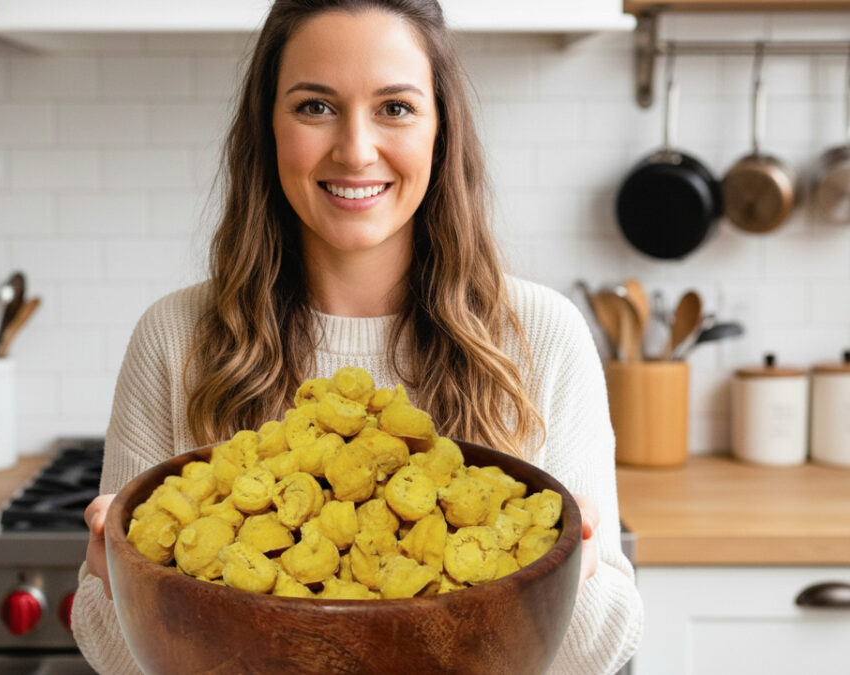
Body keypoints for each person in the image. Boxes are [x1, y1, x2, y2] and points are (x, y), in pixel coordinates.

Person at [72, 0, 643, 672]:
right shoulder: (176, 339)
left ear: (441, 129)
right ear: (267, 125)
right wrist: (115, 579)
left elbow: (599, 651)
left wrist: (575, 570)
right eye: (315, 106)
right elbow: (111, 645)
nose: (356, 150)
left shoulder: (540, 335)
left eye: (395, 107)